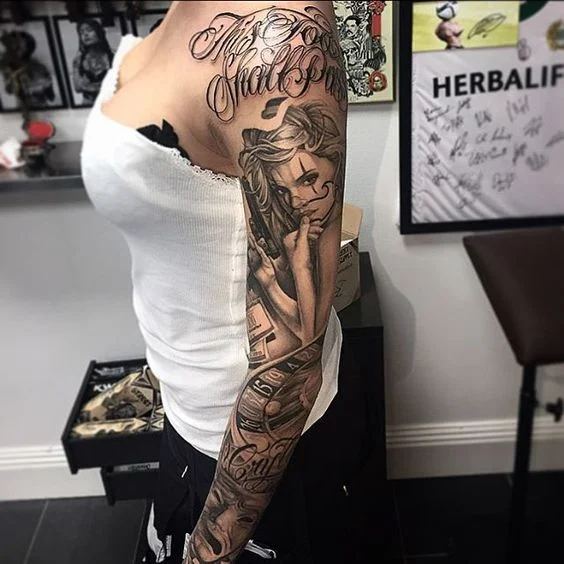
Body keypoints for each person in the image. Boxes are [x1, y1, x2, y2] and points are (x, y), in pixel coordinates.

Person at [81, 2, 366, 562]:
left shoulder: (275, 43)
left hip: (249, 448)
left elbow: (289, 365)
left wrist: (208, 552)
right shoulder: (186, 14)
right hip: (188, 414)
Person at [0, 29, 55, 108]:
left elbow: (50, 93)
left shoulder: (38, 67)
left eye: (18, 47)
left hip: (40, 106)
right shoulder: (8, 68)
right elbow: (9, 90)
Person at [72, 18, 114, 105]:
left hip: (112, 102)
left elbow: (120, 84)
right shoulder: (78, 59)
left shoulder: (114, 55)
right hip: (88, 104)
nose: (85, 34)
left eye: (89, 30)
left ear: (99, 33)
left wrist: (89, 86)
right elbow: (78, 88)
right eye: (81, 32)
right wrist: (103, 86)